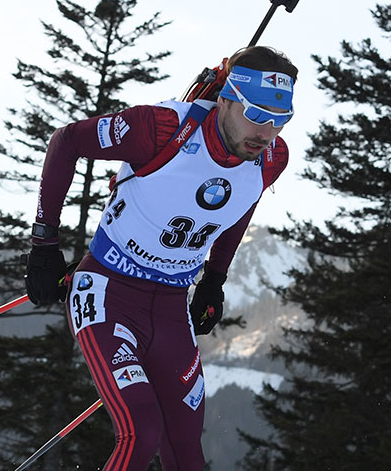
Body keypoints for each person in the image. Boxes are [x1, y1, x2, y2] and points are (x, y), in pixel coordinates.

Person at [22, 45, 296, 470]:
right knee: (141, 430)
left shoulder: (271, 157)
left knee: (185, 446)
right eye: (257, 115)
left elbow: (241, 205)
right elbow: (67, 141)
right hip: (108, 293)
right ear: (227, 99)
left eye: (280, 120)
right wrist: (44, 246)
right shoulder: (162, 128)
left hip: (171, 308)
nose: (266, 132)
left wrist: (214, 280)